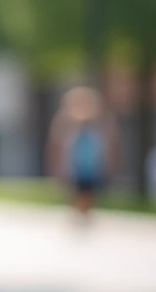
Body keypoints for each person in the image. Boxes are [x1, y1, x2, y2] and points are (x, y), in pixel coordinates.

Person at [46, 86, 120, 226]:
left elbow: (110, 145)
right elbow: (56, 147)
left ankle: (85, 214)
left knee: (89, 191)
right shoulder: (65, 124)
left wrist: (110, 164)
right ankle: (78, 212)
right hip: (74, 166)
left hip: (92, 166)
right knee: (77, 190)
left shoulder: (100, 124)